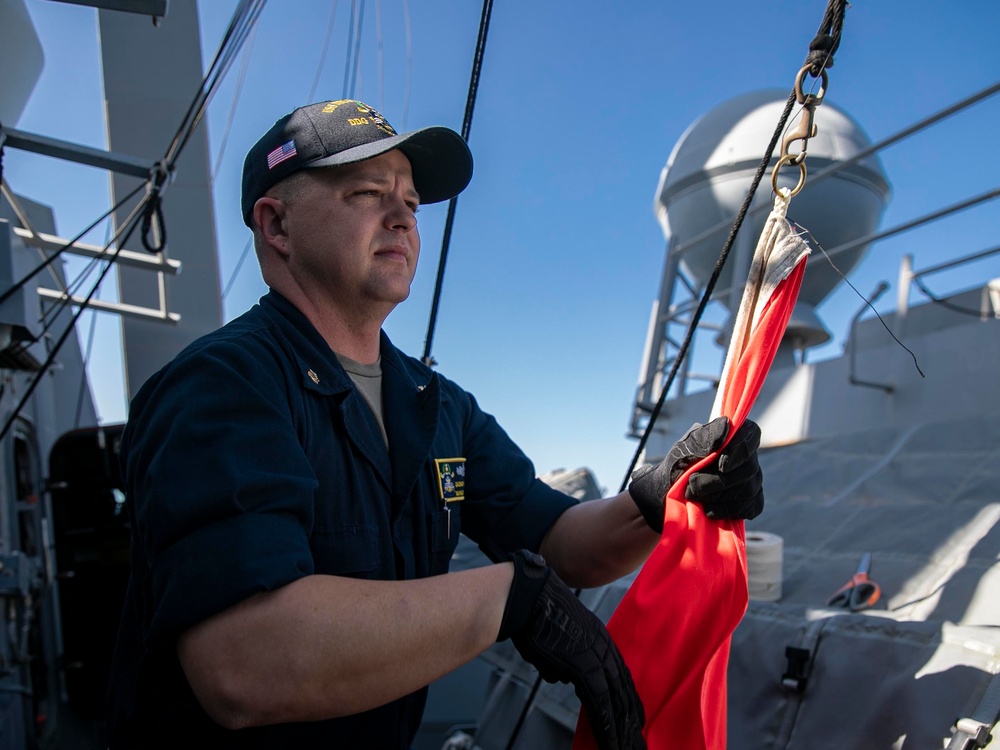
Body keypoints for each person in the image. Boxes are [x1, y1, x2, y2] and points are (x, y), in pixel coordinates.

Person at [105, 99, 764, 750]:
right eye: (367, 193)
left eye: (412, 203)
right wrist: (509, 600)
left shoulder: (435, 403)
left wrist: (660, 498)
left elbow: (562, 542)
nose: (402, 218)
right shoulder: (221, 386)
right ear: (276, 225)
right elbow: (245, 663)